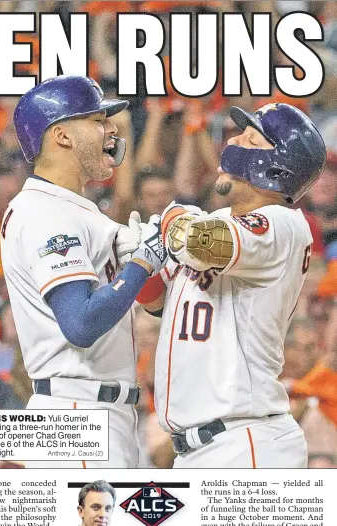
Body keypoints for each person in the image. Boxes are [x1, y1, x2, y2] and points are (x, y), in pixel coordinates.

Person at [139, 102, 326, 468]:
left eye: (249, 138)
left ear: (275, 164)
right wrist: (140, 260)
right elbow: (158, 302)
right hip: (200, 447)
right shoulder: (221, 220)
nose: (233, 139)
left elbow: (197, 241)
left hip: (246, 442)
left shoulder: (283, 224)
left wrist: (174, 215)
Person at [0, 75, 167, 468]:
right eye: (98, 120)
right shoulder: (45, 213)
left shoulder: (74, 209)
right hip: (77, 415)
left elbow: (151, 304)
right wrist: (142, 263)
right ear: (62, 136)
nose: (112, 130)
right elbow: (80, 323)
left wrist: (143, 269)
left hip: (97, 413)